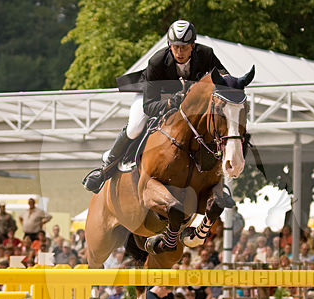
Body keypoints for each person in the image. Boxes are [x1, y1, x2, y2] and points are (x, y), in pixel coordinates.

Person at [83, 19, 229, 193]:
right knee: (135, 127)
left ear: (193, 45)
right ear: (169, 45)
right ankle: (106, 167)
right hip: (154, 97)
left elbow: (225, 78)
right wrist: (169, 103)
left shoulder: (206, 54)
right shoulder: (157, 61)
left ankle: (215, 178)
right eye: (175, 47)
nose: (179, 52)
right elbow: (149, 106)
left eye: (184, 47)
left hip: (186, 100)